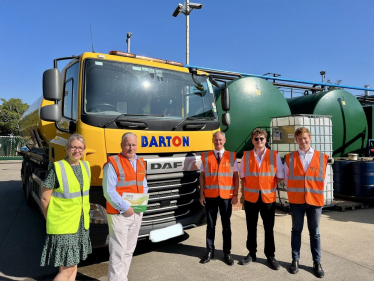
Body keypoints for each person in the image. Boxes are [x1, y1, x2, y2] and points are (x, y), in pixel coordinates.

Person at [40, 134, 92, 281]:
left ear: (84, 150)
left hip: (80, 225)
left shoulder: (85, 166)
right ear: (67, 148)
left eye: (80, 147)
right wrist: (50, 219)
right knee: (67, 269)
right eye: (74, 147)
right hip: (63, 225)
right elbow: (45, 198)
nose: (77, 150)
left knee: (72, 266)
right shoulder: (57, 168)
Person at [284, 127, 328, 278]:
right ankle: (295, 260)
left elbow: (324, 180)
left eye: (305, 138)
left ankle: (317, 262)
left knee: (314, 233)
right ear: (296, 140)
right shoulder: (290, 158)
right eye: (299, 139)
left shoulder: (322, 157)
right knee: (296, 231)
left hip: (315, 201)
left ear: (310, 138)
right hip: (296, 201)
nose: (303, 141)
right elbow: (286, 178)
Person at [103, 132, 148, 281]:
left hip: (136, 213)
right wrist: (125, 208)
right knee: (118, 252)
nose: (131, 148)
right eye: (127, 144)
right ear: (121, 145)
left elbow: (144, 185)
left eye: (133, 144)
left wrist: (142, 204)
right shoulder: (113, 162)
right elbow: (108, 191)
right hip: (119, 214)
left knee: (129, 251)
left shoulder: (141, 162)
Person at [239, 128, 284, 270]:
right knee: (251, 227)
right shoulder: (246, 156)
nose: (259, 141)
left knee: (268, 228)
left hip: (268, 197)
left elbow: (280, 176)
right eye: (256, 139)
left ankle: (270, 255)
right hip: (251, 198)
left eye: (261, 138)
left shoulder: (274, 155)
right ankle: (251, 253)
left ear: (266, 139)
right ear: (252, 140)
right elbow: (242, 176)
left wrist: (266, 185)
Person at [199, 131, 239, 266]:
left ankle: (227, 252)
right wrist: (201, 194)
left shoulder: (232, 156)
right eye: (216, 140)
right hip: (210, 196)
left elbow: (236, 177)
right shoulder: (206, 156)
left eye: (220, 140)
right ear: (213, 140)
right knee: (210, 225)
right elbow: (202, 176)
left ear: (225, 141)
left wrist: (235, 195)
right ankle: (210, 251)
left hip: (226, 197)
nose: (218, 142)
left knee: (226, 226)